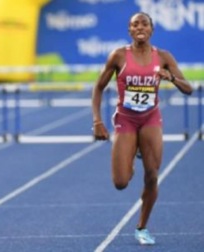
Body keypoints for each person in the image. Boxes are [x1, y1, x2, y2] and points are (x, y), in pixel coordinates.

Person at [92, 12, 193, 245]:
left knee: (153, 176)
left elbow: (188, 89)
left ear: (151, 29)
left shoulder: (164, 57)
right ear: (129, 30)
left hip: (150, 120)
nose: (140, 27)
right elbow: (98, 88)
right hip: (126, 120)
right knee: (120, 182)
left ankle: (141, 227)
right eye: (134, 24)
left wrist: (172, 79)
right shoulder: (118, 56)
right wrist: (97, 121)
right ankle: (131, 158)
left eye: (144, 23)